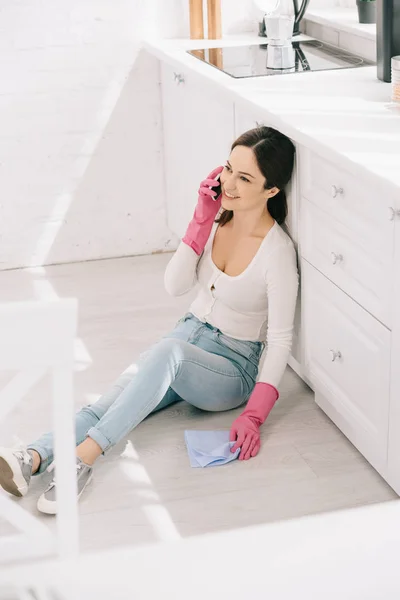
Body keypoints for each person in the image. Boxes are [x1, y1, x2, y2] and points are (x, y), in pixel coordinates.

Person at [0, 126, 299, 515]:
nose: (229, 183)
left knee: (168, 351)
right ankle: (35, 457)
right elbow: (174, 286)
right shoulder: (218, 220)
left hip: (231, 368)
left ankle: (83, 459)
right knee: (112, 398)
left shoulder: (277, 252)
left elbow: (279, 341)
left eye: (245, 178)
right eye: (228, 169)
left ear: (271, 190)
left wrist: (254, 414)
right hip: (186, 337)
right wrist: (201, 220)